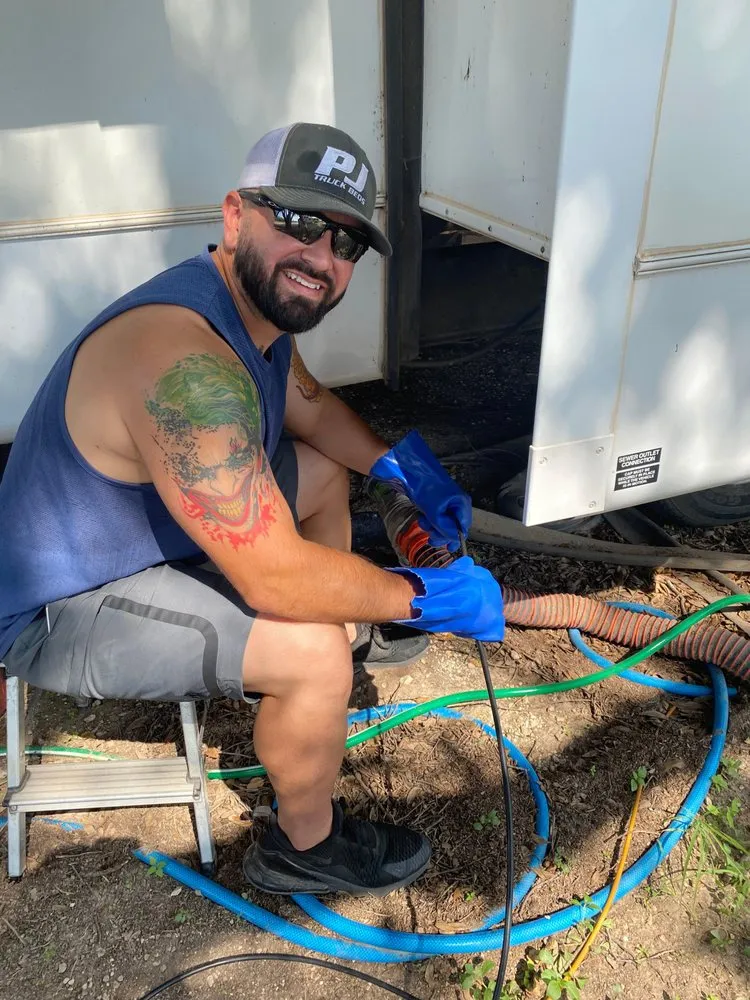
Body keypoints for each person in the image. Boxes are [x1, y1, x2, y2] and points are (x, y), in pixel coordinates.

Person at [0, 122, 504, 897]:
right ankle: (303, 845)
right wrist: (423, 595)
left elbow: (310, 412)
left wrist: (400, 467)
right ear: (236, 215)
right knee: (311, 656)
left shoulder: (253, 312)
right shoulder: (185, 358)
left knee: (325, 474)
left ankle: (332, 653)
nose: (321, 257)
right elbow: (272, 576)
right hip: (63, 602)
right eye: (300, 223)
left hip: (135, 530)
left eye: (346, 244)